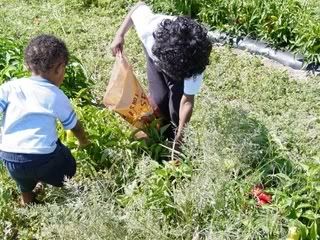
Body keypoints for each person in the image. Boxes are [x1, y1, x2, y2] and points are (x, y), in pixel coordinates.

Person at [0, 35, 89, 206]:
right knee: (67, 163)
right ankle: (63, 185)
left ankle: (27, 199)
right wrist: (83, 142)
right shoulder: (55, 95)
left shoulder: (9, 87)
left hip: (9, 156)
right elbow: (74, 126)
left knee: (23, 178)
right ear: (59, 68)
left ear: (27, 65)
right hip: (43, 157)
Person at [111, 2, 212, 144]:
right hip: (158, 56)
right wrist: (119, 35)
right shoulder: (149, 29)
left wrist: (180, 138)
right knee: (159, 101)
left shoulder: (194, 61)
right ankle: (161, 128)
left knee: (177, 108)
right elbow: (138, 7)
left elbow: (187, 100)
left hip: (177, 66)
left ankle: (173, 134)